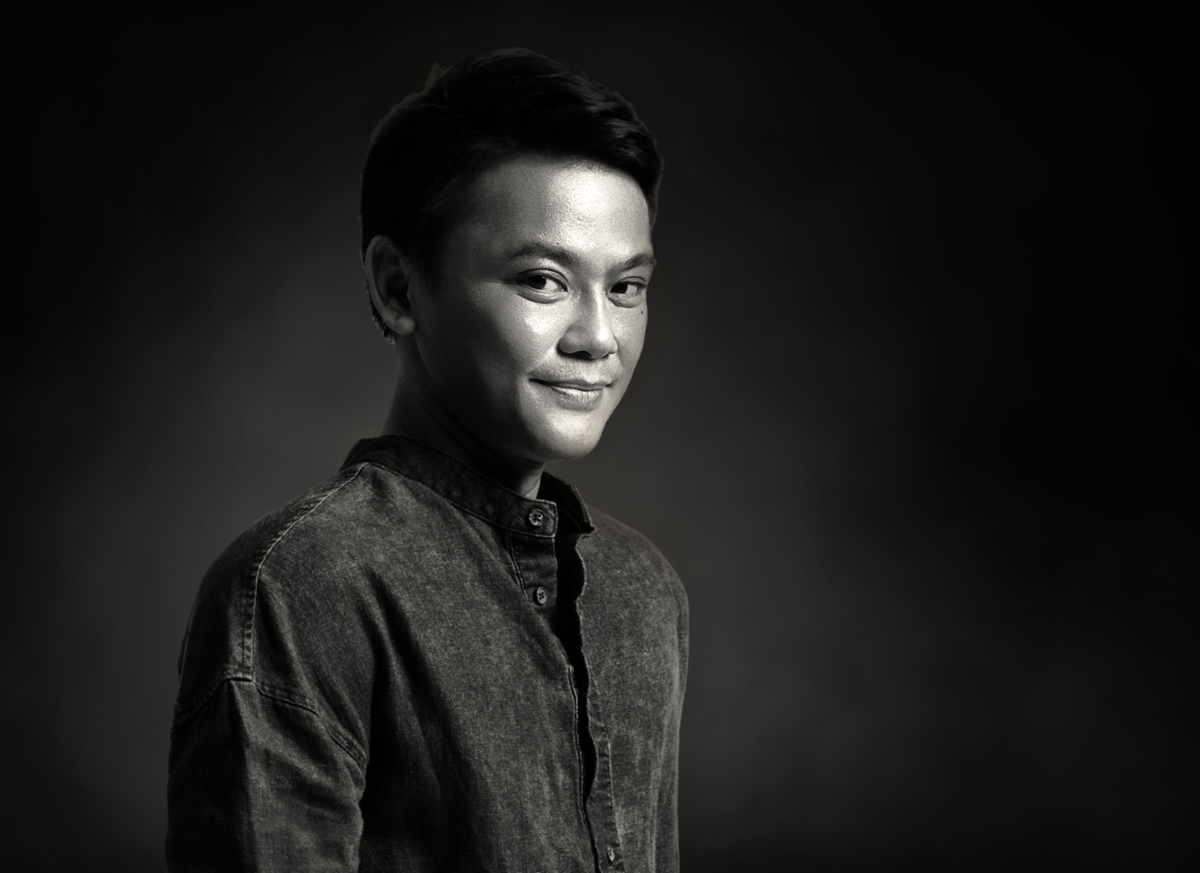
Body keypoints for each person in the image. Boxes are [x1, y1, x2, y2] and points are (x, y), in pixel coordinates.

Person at [166, 48, 688, 872]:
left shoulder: (642, 589)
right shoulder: (301, 586)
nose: (598, 337)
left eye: (626, 287)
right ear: (398, 287)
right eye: (543, 280)